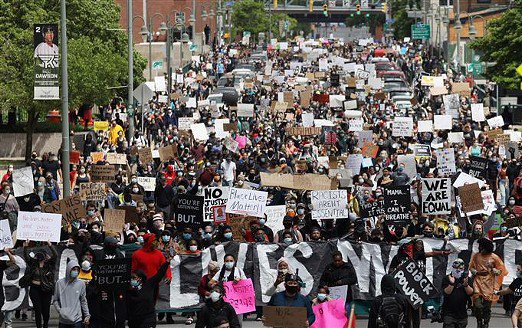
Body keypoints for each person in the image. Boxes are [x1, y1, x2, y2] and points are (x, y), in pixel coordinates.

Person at [469, 238, 507, 328]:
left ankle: (486, 323)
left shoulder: (494, 257)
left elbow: (501, 270)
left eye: (480, 246)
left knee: (487, 307)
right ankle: (479, 321)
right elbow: (471, 267)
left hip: (489, 285)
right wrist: (477, 273)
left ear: (485, 248)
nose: (479, 248)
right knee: (478, 306)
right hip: (477, 283)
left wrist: (494, 270)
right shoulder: (476, 256)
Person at [127, 256, 170, 328]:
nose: (132, 280)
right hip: (134, 320)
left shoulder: (148, 284)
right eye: (131, 278)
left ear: (140, 278)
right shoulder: (128, 289)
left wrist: (168, 261)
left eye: (134, 278)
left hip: (148, 319)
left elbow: (159, 274)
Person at [23, 240, 57, 328]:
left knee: (46, 311)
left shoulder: (49, 264)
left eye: (42, 255)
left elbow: (55, 255)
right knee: (38, 310)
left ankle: (45, 325)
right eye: (38, 255)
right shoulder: (33, 264)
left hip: (46, 290)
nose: (40, 257)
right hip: (35, 289)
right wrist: (26, 247)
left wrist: (50, 246)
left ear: (46, 256)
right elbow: (26, 257)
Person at [53, 260, 90, 328]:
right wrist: (60, 311)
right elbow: (55, 300)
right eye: (73, 269)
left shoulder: (81, 284)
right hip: (63, 320)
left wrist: (87, 315)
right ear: (68, 269)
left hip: (77, 320)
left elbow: (83, 301)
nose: (76, 271)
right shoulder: (59, 283)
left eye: (77, 270)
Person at [441, 258, 474, 328]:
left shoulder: (466, 279)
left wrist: (466, 285)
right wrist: (452, 284)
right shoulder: (447, 278)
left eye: (460, 268)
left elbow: (471, 293)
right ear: (452, 267)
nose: (458, 270)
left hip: (462, 315)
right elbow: (446, 293)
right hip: (449, 314)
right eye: (456, 268)